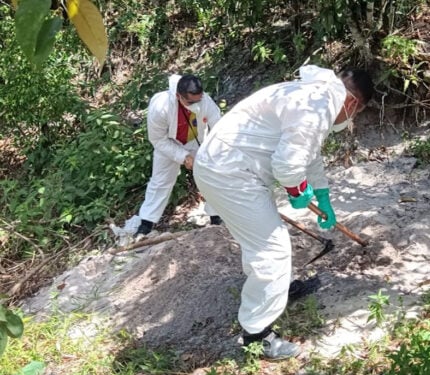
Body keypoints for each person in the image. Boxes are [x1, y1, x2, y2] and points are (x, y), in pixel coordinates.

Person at [193, 65, 374, 360]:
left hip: (225, 168)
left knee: (260, 242)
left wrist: (322, 194)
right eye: (355, 114)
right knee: (272, 249)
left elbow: (309, 153)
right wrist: (296, 189)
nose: (349, 119)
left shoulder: (314, 95)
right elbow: (289, 165)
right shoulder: (319, 103)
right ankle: (257, 336)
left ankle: (272, 291)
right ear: (353, 103)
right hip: (230, 173)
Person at [135, 74, 223, 236]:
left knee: (212, 175)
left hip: (196, 140)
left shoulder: (205, 100)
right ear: (178, 96)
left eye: (198, 100)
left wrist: (216, 150)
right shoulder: (160, 107)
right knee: (160, 181)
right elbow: (157, 139)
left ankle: (217, 217)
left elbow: (218, 127)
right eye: (190, 102)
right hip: (169, 143)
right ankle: (146, 224)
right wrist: (183, 156)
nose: (195, 105)